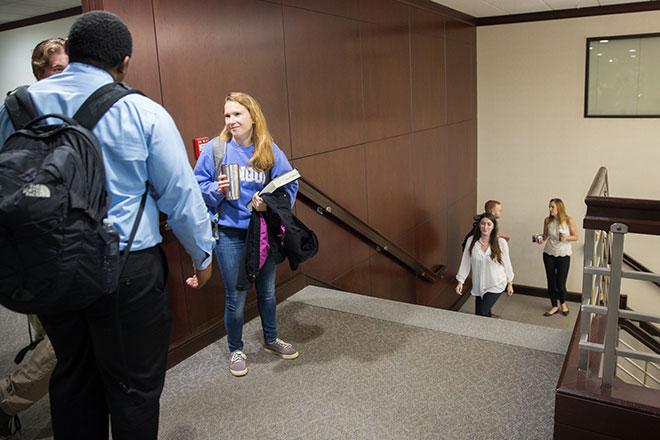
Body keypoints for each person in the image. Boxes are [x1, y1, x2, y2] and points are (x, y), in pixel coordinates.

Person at [0, 11, 215, 440]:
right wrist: (202, 254)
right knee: (133, 388)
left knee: (73, 377)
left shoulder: (16, 106)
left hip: (49, 266)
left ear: (72, 52)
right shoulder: (142, 111)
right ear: (124, 61)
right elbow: (180, 194)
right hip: (125, 271)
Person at [194, 92, 299, 377]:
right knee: (236, 295)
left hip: (262, 232)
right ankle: (235, 348)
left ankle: (271, 338)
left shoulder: (268, 150)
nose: (231, 121)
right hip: (229, 234)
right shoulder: (216, 150)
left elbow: (289, 185)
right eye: (227, 115)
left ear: (253, 116)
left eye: (237, 114)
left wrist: (270, 204)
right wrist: (217, 190)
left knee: (266, 291)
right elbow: (197, 185)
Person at [0, 37, 69, 439]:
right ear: (40, 72)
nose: (65, 76)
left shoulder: (71, 108)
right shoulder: (16, 110)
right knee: (63, 338)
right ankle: (7, 398)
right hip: (34, 236)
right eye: (57, 69)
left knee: (51, 331)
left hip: (61, 235)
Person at [456, 212, 514, 317]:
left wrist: (510, 282)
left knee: (481, 312)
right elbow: (465, 262)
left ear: (493, 226)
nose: (485, 227)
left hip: (495, 283)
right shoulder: (471, 241)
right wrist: (461, 281)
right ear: (479, 225)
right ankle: (486, 331)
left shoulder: (501, 243)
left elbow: (507, 263)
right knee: (481, 314)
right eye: (482, 223)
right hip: (479, 284)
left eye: (489, 224)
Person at [534, 198, 577, 317]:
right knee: (551, 281)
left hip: (564, 254)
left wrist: (566, 238)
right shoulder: (547, 220)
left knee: (560, 283)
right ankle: (554, 305)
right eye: (549, 207)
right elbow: (545, 235)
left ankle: (563, 303)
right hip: (548, 253)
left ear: (559, 207)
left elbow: (576, 237)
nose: (550, 209)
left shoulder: (568, 221)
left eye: (552, 207)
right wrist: (540, 239)